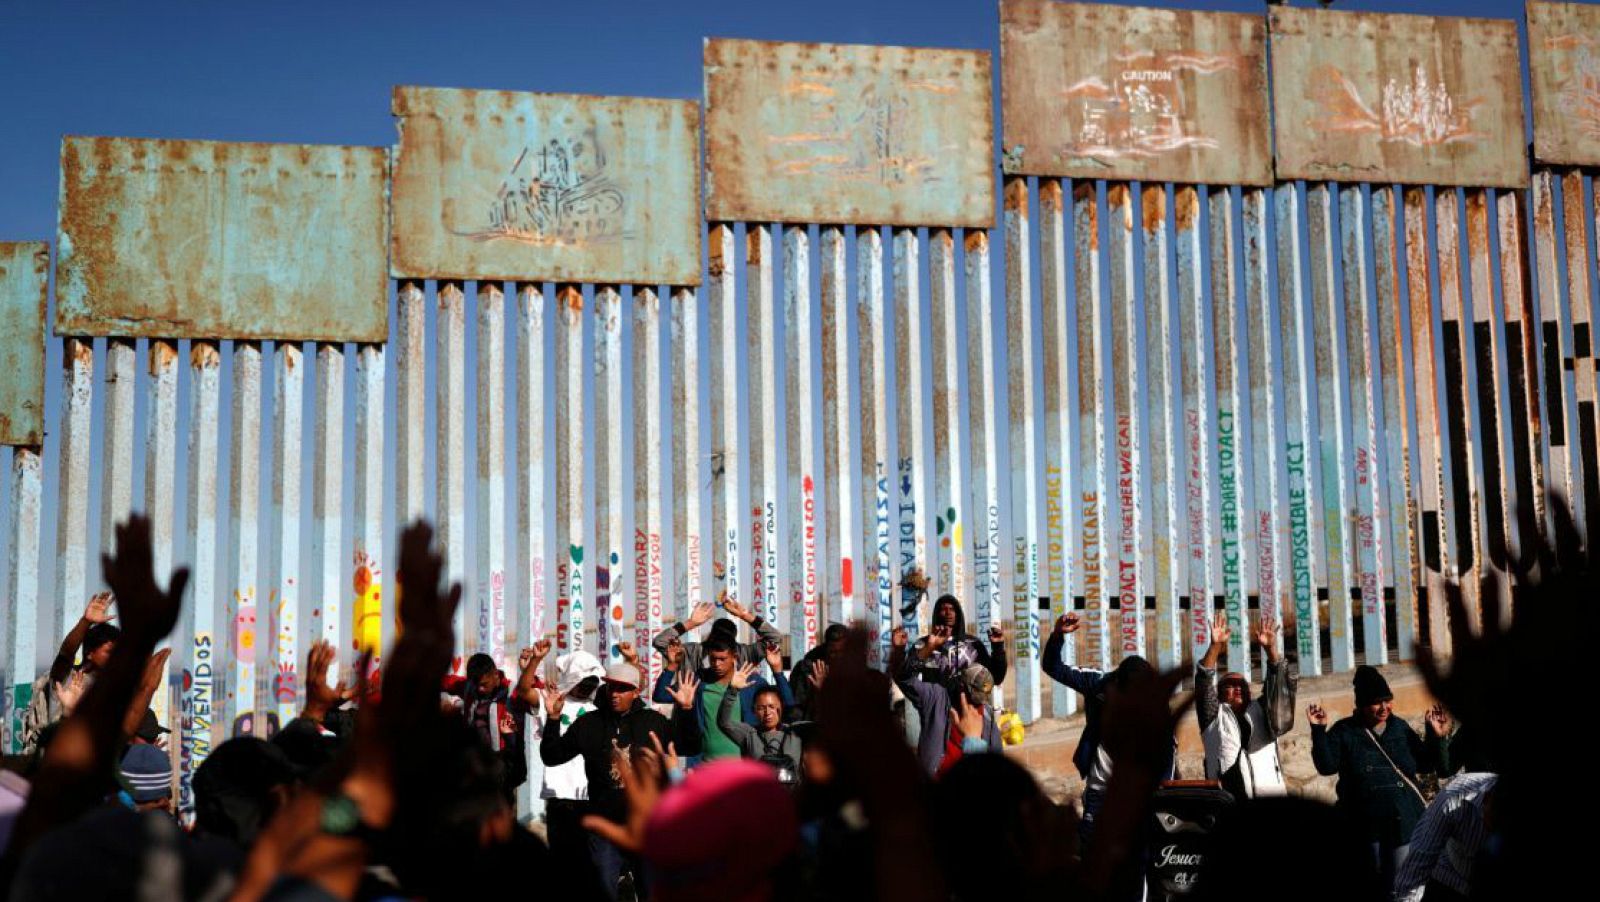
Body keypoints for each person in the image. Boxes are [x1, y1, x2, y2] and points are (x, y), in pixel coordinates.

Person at [540, 661, 703, 900]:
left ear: (636, 691)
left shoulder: (652, 722)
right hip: (606, 828)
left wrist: (687, 710)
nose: (615, 694)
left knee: (652, 892)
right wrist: (554, 719)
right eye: (611, 688)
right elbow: (552, 756)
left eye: (623, 689)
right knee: (604, 890)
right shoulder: (589, 724)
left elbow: (690, 745)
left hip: (647, 826)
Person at [1038, 612, 1174, 845]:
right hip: (1100, 791)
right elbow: (1053, 667)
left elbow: (1168, 750)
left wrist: (1161, 791)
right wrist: (1058, 635)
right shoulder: (1099, 683)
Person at [1309, 665, 1448, 892]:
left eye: (1387, 700)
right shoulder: (1345, 731)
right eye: (1376, 702)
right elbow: (1326, 766)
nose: (1384, 707)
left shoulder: (1399, 727)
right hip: (1364, 827)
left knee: (1403, 888)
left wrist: (1435, 736)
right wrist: (1318, 732)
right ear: (1362, 705)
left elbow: (1425, 764)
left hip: (1402, 822)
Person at [528, 647, 607, 897]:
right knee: (562, 858)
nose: (587, 688)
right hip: (560, 795)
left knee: (590, 860)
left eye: (592, 684)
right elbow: (523, 692)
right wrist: (536, 661)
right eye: (584, 682)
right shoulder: (552, 701)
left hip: (589, 795)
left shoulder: (598, 709)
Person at [1195, 614, 1296, 800]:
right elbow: (1203, 680)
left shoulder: (1263, 710)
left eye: (1241, 685)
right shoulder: (1212, 717)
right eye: (1230, 686)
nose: (1238, 689)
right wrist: (1216, 646)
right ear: (1219, 694)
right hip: (1229, 806)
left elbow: (1278, 685)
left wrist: (1270, 649)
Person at [651, 635, 793, 763]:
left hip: (745, 766)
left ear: (734, 657)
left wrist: (777, 671)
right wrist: (672, 665)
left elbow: (788, 703)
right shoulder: (698, 681)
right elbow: (660, 695)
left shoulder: (751, 682)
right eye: (713, 659)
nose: (717, 664)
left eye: (722, 659)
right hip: (706, 766)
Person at [889, 628, 1002, 777]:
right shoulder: (936, 699)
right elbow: (904, 678)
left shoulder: (986, 715)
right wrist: (900, 652)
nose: (976, 704)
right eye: (973, 695)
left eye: (981, 698)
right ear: (962, 686)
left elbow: (997, 769)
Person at [18, 593, 119, 755]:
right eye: (109, 651)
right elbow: (66, 653)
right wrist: (85, 622)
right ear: (90, 653)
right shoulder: (69, 678)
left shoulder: (110, 687)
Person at [453, 642, 546, 802]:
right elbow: (446, 682)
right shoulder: (469, 687)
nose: (480, 689)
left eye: (484, 685)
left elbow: (538, 694)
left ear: (495, 674)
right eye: (476, 685)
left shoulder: (513, 693)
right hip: (474, 762)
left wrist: (529, 667)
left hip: (504, 764)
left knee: (499, 811)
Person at [1392, 771, 1498, 902]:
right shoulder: (1454, 796)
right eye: (1497, 822)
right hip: (1449, 878)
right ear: (1487, 800)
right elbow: (1417, 865)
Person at [717, 662, 805, 787]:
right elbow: (724, 722)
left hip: (791, 802)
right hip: (759, 801)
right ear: (754, 710)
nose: (768, 712)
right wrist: (733, 690)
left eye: (772, 706)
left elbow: (823, 726)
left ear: (781, 707)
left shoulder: (796, 732)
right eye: (761, 708)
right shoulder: (749, 734)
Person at [651, 598, 784, 675]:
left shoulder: (744, 654)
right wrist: (690, 623)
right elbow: (660, 641)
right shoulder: (692, 653)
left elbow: (775, 638)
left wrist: (745, 615)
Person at [902, 590, 1008, 688]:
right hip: (937, 707)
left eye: (952, 609)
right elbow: (906, 674)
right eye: (943, 609)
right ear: (936, 614)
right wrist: (929, 647)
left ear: (958, 613)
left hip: (967, 707)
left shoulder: (973, 644)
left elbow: (996, 678)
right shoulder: (923, 644)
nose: (948, 613)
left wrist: (998, 647)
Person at [789, 623, 845, 720]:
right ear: (826, 648)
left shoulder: (853, 668)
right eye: (833, 652)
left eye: (842, 652)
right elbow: (796, 706)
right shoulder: (807, 668)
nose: (838, 657)